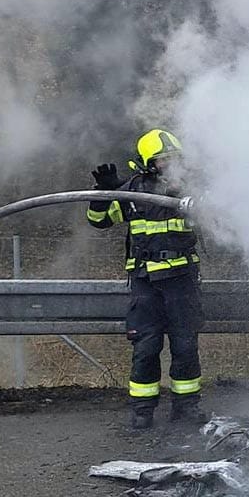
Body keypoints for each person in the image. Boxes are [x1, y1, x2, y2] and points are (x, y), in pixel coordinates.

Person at [88, 127, 203, 431]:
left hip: (181, 281)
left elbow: (217, 216)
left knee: (185, 346)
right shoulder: (132, 192)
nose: (169, 164)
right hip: (145, 282)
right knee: (146, 348)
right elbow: (99, 221)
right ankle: (143, 410)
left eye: (173, 158)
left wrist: (196, 201)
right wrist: (102, 195)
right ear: (146, 163)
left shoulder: (191, 188)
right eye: (162, 159)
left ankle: (186, 408)